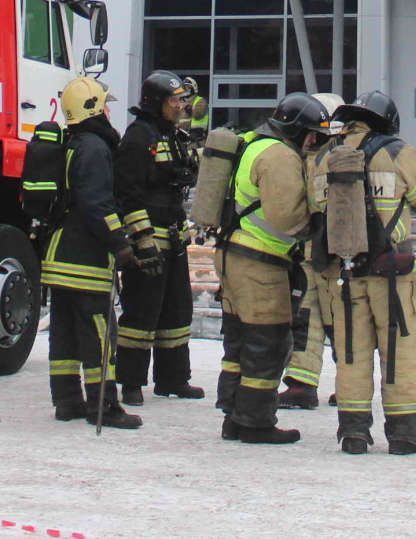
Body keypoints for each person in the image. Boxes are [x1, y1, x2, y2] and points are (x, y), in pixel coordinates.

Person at [324, 90, 416, 456]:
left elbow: (315, 206)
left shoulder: (328, 156)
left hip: (345, 274)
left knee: (351, 355)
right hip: (393, 273)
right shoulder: (396, 151)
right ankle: (405, 434)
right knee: (399, 353)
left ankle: (354, 433)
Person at [215, 91, 327, 445]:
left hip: (234, 256)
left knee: (239, 341)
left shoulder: (253, 144)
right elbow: (286, 217)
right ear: (296, 130)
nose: (314, 142)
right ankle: (256, 422)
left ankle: (234, 416)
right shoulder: (280, 156)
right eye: (311, 134)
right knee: (269, 342)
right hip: (260, 263)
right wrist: (319, 224)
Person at [40, 73, 150, 429]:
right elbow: (98, 204)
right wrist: (120, 245)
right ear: (95, 109)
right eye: (105, 106)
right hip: (84, 258)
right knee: (100, 333)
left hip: (60, 254)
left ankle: (67, 401)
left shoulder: (74, 143)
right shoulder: (96, 148)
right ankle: (105, 406)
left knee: (65, 332)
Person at [113, 70, 205, 405]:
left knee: (177, 311)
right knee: (141, 312)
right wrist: (142, 241)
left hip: (174, 237)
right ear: (156, 102)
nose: (181, 105)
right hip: (149, 240)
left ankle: (173, 378)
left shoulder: (174, 134)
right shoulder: (139, 137)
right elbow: (128, 194)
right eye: (175, 100)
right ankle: (132, 382)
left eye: (182, 99)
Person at [282, 93, 345, 411]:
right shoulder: (304, 154)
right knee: (306, 318)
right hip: (308, 254)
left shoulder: (339, 157)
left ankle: (349, 384)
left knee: (340, 322)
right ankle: (300, 384)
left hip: (333, 257)